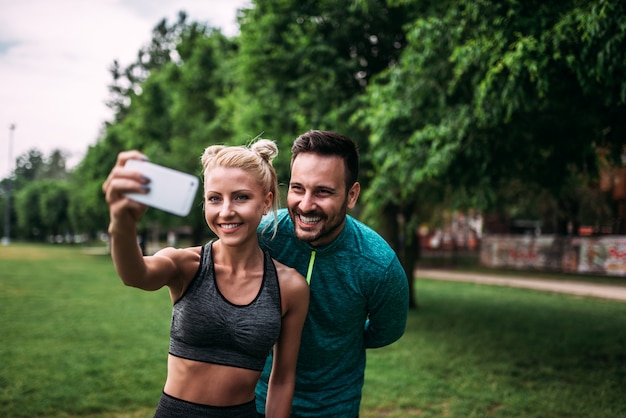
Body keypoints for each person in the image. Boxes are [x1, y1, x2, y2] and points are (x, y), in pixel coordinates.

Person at [102, 139, 310, 418]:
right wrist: (122, 221)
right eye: (215, 198)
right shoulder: (186, 265)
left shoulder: (290, 286)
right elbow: (135, 274)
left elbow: (282, 379)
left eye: (241, 197)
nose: (226, 211)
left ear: (266, 201)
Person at [255, 130, 409, 417]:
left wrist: (342, 340)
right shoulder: (263, 236)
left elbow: (387, 330)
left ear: (351, 195)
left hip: (334, 406)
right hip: (257, 399)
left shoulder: (378, 264)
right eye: (298, 188)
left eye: (323, 192)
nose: (306, 204)